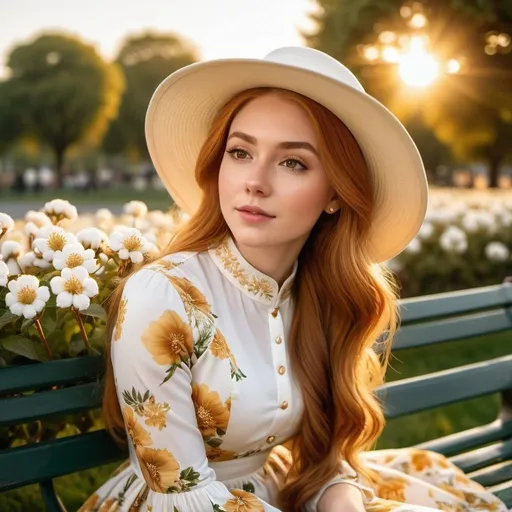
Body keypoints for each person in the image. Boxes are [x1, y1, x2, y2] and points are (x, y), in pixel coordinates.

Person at [79, 47, 507, 512]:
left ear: (335, 195)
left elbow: (324, 454)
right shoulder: (160, 296)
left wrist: (339, 495)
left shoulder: (317, 291)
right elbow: (181, 496)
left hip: (281, 491)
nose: (255, 182)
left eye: (293, 162)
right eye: (240, 152)